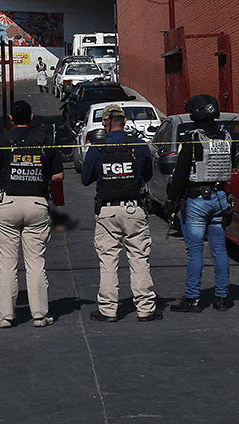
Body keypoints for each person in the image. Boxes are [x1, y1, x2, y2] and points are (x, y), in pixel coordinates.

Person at [0, 100, 64, 328]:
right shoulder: (45, 141)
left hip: (9, 204)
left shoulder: (3, 140)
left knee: (7, 264)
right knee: (36, 262)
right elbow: (58, 177)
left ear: (10, 119)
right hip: (37, 204)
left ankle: (5, 316)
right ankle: (40, 315)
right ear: (32, 118)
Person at [81, 104, 162, 323]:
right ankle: (145, 308)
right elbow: (147, 174)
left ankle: (108, 310)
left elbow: (85, 178)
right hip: (134, 208)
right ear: (124, 122)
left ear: (105, 123)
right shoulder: (139, 146)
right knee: (139, 259)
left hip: (107, 210)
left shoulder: (97, 147)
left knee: (108, 261)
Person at [165, 94, 234, 312]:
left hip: (197, 200)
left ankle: (192, 298)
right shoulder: (225, 137)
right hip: (220, 199)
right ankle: (222, 298)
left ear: (195, 113)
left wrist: (171, 200)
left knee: (194, 252)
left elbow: (181, 174)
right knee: (220, 250)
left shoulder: (193, 138)